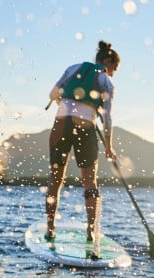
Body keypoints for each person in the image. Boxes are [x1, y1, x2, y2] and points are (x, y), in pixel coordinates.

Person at [45, 40, 120, 258]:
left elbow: (52, 95)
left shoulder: (73, 68)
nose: (113, 74)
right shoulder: (105, 81)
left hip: (60, 124)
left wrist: (64, 102)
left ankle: (50, 229)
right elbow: (107, 119)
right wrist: (109, 145)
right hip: (86, 128)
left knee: (55, 179)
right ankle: (90, 233)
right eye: (114, 69)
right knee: (90, 182)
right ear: (107, 62)